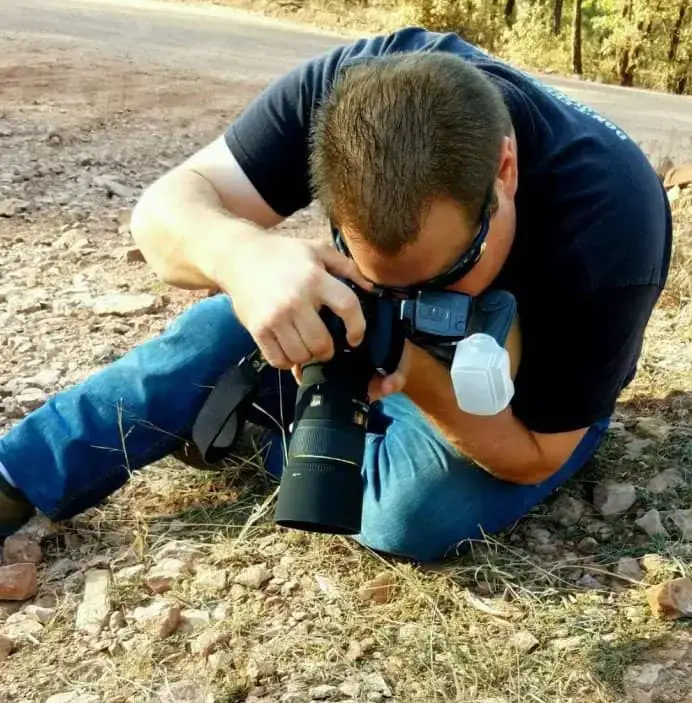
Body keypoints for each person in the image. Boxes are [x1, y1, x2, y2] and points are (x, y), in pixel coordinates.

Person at [0, 27, 671, 562]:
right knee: (214, 333)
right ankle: (16, 476)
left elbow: (537, 453)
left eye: (444, 272)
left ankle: (255, 422)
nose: (401, 299)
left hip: (531, 390)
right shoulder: (349, 103)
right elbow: (160, 214)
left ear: (505, 172)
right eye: (377, 279)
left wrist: (413, 371)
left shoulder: (610, 226)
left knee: (410, 515)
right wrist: (245, 256)